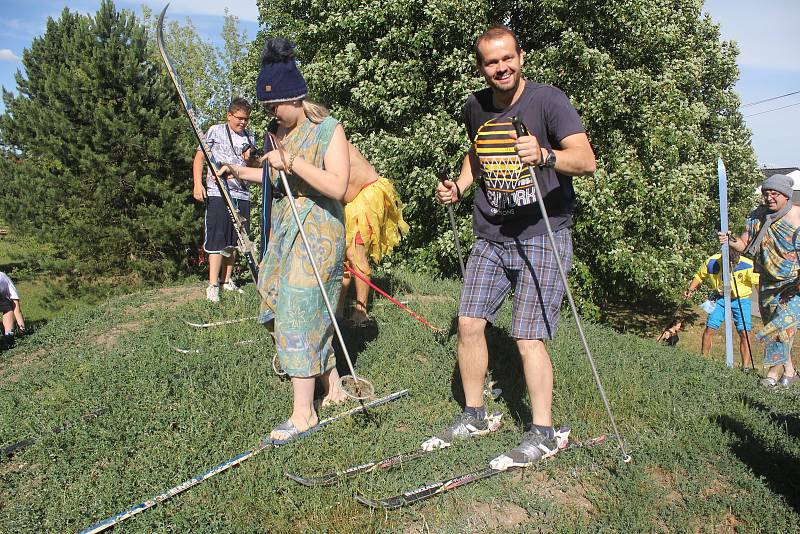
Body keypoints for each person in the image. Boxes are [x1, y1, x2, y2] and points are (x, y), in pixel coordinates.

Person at [431, 25, 596, 469]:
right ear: (481, 66)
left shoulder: (548, 101)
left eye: (507, 59)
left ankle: (542, 432)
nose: (500, 68)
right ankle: (475, 416)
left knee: (528, 336)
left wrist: (544, 155)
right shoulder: (476, 105)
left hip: (543, 233)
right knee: (469, 323)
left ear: (520, 57)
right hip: (492, 233)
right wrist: (462, 187)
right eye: (491, 62)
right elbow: (476, 151)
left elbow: (586, 159)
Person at [220, 38, 350, 442]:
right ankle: (335, 387)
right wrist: (238, 172)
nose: (271, 114)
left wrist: (291, 161)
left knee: (300, 312)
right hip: (285, 230)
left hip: (320, 232)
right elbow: (274, 180)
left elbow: (338, 185)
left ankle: (303, 414)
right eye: (266, 108)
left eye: (275, 106)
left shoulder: (329, 130)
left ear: (297, 97)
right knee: (291, 307)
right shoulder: (274, 135)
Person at [722, 174, 800, 388]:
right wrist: (730, 240)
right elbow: (745, 244)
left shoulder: (797, 217)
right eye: (766, 193)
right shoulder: (757, 217)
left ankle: (773, 376)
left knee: (781, 329)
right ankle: (790, 372)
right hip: (766, 283)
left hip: (793, 285)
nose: (769, 198)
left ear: (786, 195)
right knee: (775, 330)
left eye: (774, 193)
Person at [335, 142, 409, 326]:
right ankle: (337, 311)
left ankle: (361, 312)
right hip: (350, 199)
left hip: (366, 195)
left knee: (354, 252)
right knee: (341, 254)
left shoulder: (326, 137)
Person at [192, 97, 255, 303]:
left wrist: (251, 159)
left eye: (246, 119)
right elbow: (200, 157)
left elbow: (252, 166)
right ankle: (213, 285)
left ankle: (227, 281)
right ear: (229, 115)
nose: (243, 122)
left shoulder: (249, 136)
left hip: (242, 193)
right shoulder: (215, 131)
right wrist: (197, 184)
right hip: (218, 191)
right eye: (239, 118)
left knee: (236, 240)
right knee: (217, 237)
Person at [682, 247, 757, 367]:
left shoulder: (747, 265)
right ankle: (704, 359)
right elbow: (699, 276)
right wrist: (690, 289)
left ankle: (745, 367)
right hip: (720, 297)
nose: (733, 265)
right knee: (710, 328)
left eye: (735, 263)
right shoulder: (712, 262)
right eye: (730, 263)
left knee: (744, 332)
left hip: (741, 299)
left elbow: (758, 282)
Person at [0, 271, 25, 348]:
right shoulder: (9, 283)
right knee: (9, 307)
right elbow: (17, 310)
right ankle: (9, 337)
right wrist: (22, 329)